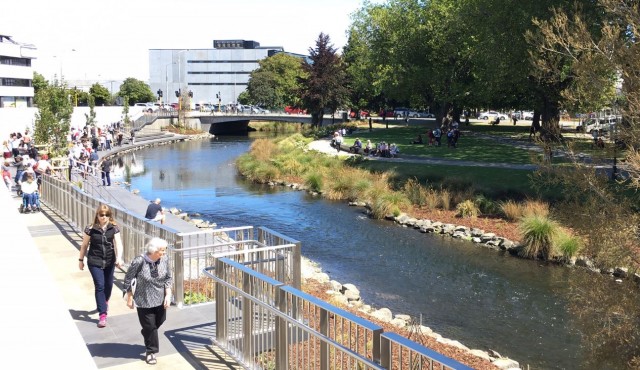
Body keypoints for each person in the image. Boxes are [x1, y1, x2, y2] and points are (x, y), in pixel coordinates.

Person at [123, 238, 172, 365]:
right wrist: (129, 297)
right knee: (151, 326)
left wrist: (168, 294)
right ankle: (151, 352)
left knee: (158, 322)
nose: (165, 253)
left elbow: (168, 278)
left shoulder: (165, 259)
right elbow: (128, 278)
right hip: (143, 299)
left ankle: (147, 332)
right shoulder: (139, 261)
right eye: (162, 250)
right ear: (154, 251)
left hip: (160, 298)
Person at [78, 204, 123, 328]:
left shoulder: (114, 228)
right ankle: (102, 314)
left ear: (110, 216)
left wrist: (119, 258)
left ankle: (104, 301)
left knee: (108, 285)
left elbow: (119, 244)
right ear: (97, 215)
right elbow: (84, 245)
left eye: (106, 215)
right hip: (94, 261)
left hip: (109, 261)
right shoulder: (90, 228)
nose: (104, 217)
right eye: (101, 215)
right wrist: (80, 260)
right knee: (100, 286)